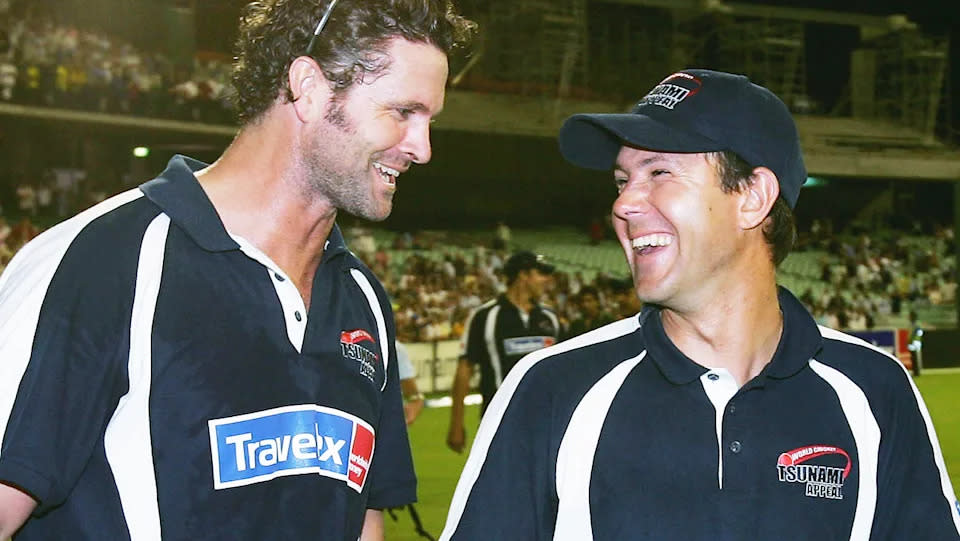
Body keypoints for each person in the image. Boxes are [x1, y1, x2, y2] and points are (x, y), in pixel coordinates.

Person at [0, 1, 474, 540]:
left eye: (429, 120)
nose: (423, 148)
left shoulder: (362, 298)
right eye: (402, 112)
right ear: (309, 86)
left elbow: (362, 519)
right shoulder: (102, 261)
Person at [440, 69, 960, 540]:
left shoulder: (876, 392)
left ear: (753, 197)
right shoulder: (551, 388)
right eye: (622, 181)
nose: (622, 204)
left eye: (658, 173)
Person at [446, 250, 560, 453]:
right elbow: (465, 369)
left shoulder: (550, 317)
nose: (546, 280)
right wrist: (456, 424)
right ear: (523, 276)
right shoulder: (485, 316)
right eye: (540, 273)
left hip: (548, 424)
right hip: (500, 423)